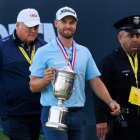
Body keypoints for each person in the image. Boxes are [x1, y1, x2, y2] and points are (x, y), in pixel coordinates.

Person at [29, 6, 120, 140]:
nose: (68, 26)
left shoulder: (84, 51)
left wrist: (110, 101)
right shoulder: (43, 51)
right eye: (64, 21)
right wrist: (46, 80)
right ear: (56, 23)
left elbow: (95, 81)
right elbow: (33, 86)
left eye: (71, 22)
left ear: (76, 25)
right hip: (53, 112)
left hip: (78, 114)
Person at [0, 8, 47, 140]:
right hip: (14, 113)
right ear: (18, 25)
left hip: (39, 111)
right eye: (29, 26)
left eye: (36, 26)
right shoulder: (2, 47)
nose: (33, 30)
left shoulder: (44, 47)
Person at [95, 15, 140, 140]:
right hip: (120, 120)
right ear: (120, 38)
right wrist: (101, 120)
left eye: (138, 36)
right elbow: (98, 90)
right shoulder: (110, 60)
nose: (135, 39)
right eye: (131, 36)